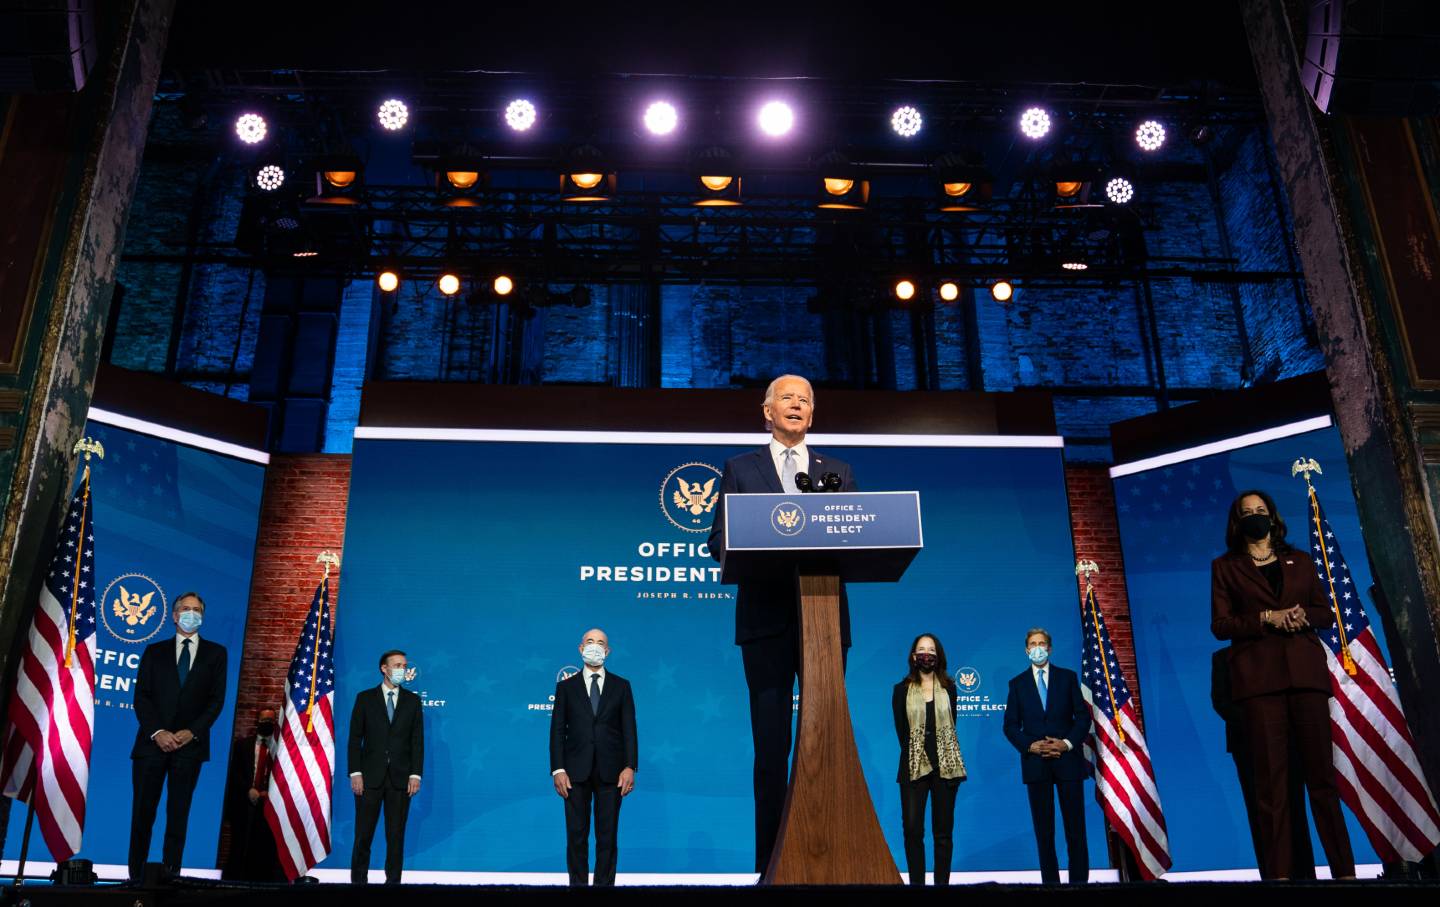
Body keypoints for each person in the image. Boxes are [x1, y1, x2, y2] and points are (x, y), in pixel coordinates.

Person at [707, 373, 858, 873]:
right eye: (787, 399)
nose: (797, 405)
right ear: (767, 411)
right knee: (772, 748)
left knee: (826, 741)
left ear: (812, 415)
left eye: (805, 400)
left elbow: (860, 538)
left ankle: (833, 855)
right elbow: (718, 540)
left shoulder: (837, 470)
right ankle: (771, 866)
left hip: (824, 625)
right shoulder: (740, 468)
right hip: (766, 624)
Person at [1210, 489, 1354, 881]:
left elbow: (1326, 613)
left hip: (1306, 680)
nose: (1255, 516)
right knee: (1272, 788)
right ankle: (1279, 878)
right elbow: (1220, 625)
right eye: (1247, 513)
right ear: (1237, 522)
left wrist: (1299, 616)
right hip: (1259, 686)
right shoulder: (1225, 567)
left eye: (1261, 510)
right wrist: (1266, 618)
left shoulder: (1301, 561)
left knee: (1322, 780)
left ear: (1272, 517)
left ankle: (1345, 874)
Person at [128, 592, 229, 881]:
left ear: (202, 616)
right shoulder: (154, 651)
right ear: (174, 616)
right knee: (142, 816)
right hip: (151, 747)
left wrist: (192, 732)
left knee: (178, 816)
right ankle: (136, 877)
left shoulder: (216, 653)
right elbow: (142, 697)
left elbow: (216, 701)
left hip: (189, 749)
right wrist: (158, 732)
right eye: (185, 609)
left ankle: (171, 877)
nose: (191, 614)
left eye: (197, 610)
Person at [1210, 647, 1316, 879]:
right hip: (1248, 746)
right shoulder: (1223, 658)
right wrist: (1262, 725)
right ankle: (1272, 877)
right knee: (1259, 813)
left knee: (1295, 810)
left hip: (1288, 745)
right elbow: (1220, 701)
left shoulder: (1279, 649)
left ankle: (1306, 877)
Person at [549, 628, 639, 886]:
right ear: (580, 648)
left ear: (607, 651)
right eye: (590, 641)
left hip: (612, 772)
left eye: (601, 643)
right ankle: (577, 888)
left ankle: (604, 889)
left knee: (607, 837)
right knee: (576, 836)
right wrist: (558, 770)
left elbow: (629, 730)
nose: (595, 646)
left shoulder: (622, 686)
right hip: (574, 772)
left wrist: (630, 766)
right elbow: (556, 730)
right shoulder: (566, 687)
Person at [1002, 627, 1090, 885]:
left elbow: (1082, 717)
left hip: (1068, 764)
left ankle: (1079, 888)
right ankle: (1050, 888)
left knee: (1076, 831)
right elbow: (1009, 725)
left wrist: (1066, 744)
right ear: (1026, 650)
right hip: (1036, 764)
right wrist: (1031, 746)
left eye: (1042, 643)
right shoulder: (1017, 684)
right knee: (1044, 832)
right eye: (1033, 644)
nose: (1037, 648)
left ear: (1049, 649)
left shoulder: (1068, 677)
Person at [891, 633, 967, 886]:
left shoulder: (950, 688)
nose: (926, 654)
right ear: (913, 656)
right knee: (913, 832)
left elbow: (952, 723)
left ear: (938, 655)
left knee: (943, 833)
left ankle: (942, 888)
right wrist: (918, 753)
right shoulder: (900, 690)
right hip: (913, 767)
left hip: (945, 767)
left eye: (931, 650)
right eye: (921, 650)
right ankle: (917, 888)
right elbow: (902, 732)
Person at [348, 649, 424, 885]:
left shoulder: (413, 701)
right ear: (384, 668)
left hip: (400, 779)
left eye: (404, 665)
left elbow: (416, 741)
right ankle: (358, 884)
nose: (402, 669)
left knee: (396, 836)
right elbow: (354, 738)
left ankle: (393, 885)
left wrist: (415, 774)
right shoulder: (365, 698)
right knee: (363, 835)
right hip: (369, 777)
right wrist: (355, 773)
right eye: (398, 665)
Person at [221, 706, 284, 881]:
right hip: (244, 802)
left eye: (270, 721)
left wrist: (267, 793)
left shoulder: (280, 748)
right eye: (264, 721)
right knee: (239, 845)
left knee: (264, 847)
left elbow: (283, 776)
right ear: (257, 722)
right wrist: (249, 790)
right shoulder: (242, 745)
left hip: (269, 804)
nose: (267, 724)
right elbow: (235, 773)